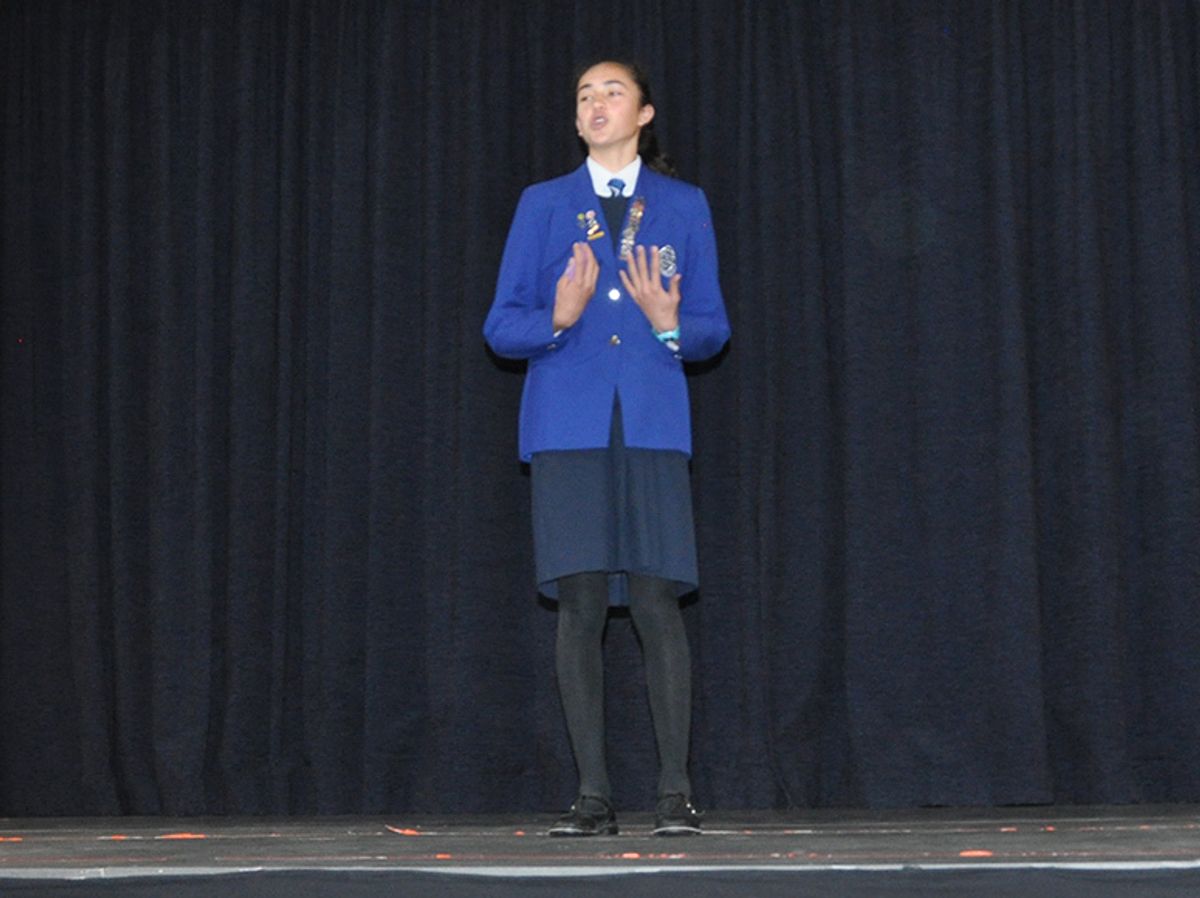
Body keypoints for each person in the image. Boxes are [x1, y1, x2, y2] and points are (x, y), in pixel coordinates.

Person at [484, 59, 730, 837]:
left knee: (657, 600)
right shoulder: (544, 203)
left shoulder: (683, 205)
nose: (595, 103)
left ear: (644, 113)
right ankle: (592, 795)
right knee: (581, 602)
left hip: (651, 422)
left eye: (611, 92)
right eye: (584, 95)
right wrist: (557, 318)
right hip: (568, 423)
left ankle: (674, 794)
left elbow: (712, 328)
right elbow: (501, 325)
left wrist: (670, 323)